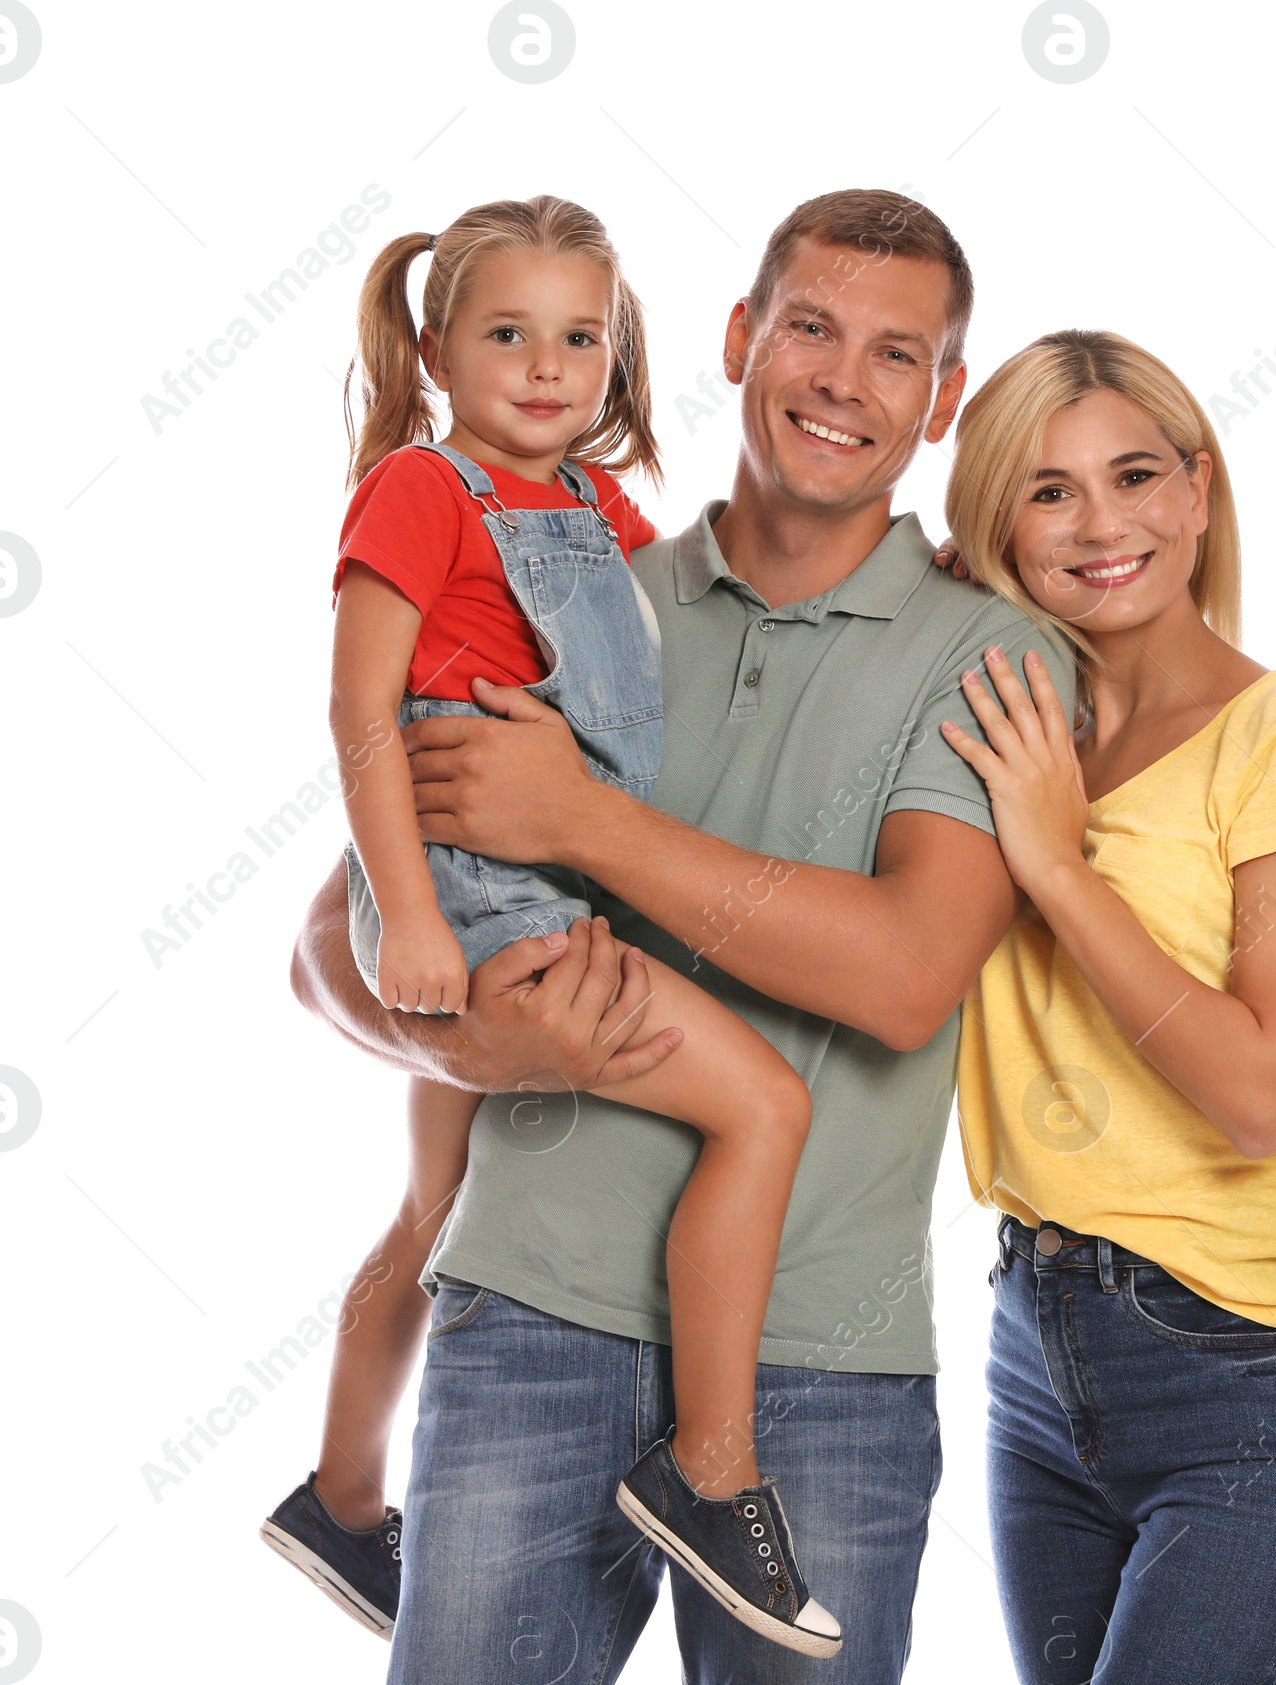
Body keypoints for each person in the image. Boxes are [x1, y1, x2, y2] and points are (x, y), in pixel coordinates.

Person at [287, 189, 1079, 1684]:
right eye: (811, 329)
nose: (844, 381)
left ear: (944, 399)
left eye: (896, 355)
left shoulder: (995, 650)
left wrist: (582, 823)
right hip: (528, 1319)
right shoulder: (576, 588)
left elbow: (908, 975)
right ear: (738, 337)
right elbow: (330, 940)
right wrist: (455, 1029)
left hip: (826, 1366)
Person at [259, 193, 839, 1659]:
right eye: (506, 334)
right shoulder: (420, 488)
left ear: (617, 356)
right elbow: (363, 714)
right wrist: (405, 926)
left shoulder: (589, 505)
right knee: (763, 1104)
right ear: (441, 346)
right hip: (470, 882)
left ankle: (341, 1499)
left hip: (547, 864)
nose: (545, 366)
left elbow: (693, 610)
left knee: (435, 1213)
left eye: (578, 338)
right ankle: (709, 1472)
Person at [939, 329, 1276, 1684]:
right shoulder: (1003, 726)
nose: (1100, 524)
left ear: (1198, 492)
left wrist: (1058, 872)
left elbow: (1261, 1092)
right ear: (997, 521)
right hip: (1036, 1347)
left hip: (1248, 1368)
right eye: (1048, 488)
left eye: (1135, 475)